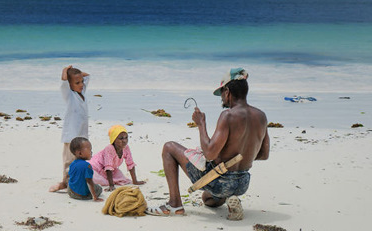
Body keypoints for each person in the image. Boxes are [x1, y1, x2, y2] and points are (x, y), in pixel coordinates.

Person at [146, 68, 269, 220]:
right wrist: (241, 159)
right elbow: (264, 154)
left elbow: (210, 153)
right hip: (242, 183)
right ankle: (230, 198)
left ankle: (174, 204)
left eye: (222, 94)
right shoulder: (261, 116)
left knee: (169, 147)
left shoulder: (228, 115)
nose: (222, 99)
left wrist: (201, 124)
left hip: (220, 181)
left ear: (228, 92)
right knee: (207, 199)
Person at [49, 65, 90, 192]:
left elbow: (87, 76)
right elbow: (63, 85)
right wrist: (65, 72)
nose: (81, 84)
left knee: (80, 160)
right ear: (70, 85)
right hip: (71, 137)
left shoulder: (81, 93)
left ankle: (76, 182)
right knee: (69, 162)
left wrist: (77, 74)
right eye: (77, 83)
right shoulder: (70, 96)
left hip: (82, 137)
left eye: (81, 82)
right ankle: (64, 183)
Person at [90, 125, 146, 191]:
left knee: (122, 178)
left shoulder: (126, 147)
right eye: (121, 138)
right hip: (95, 168)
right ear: (114, 139)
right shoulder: (109, 148)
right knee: (98, 180)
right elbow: (108, 168)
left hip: (109, 170)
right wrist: (111, 185)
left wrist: (135, 181)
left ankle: (107, 180)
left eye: (126, 138)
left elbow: (130, 164)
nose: (124, 141)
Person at [67, 137, 103, 202]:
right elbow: (89, 182)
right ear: (80, 153)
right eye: (89, 150)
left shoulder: (72, 164)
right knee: (99, 188)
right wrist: (95, 197)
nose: (91, 152)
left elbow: (71, 176)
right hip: (82, 196)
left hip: (71, 193)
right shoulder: (87, 166)